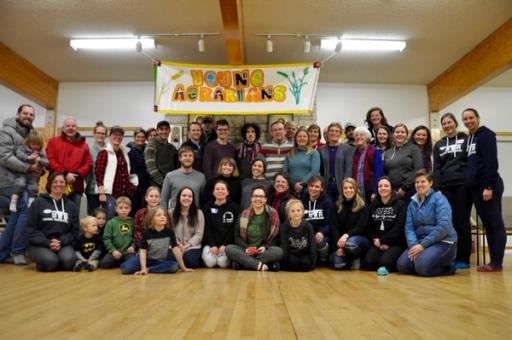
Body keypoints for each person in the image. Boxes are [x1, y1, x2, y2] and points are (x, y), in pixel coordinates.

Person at [462, 108, 506, 272]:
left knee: (494, 224)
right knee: (488, 224)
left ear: (478, 118)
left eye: (471, 118)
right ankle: (494, 262)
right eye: (465, 119)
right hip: (476, 187)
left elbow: (491, 163)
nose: (468, 121)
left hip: (488, 186)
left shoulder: (486, 134)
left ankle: (496, 263)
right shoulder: (470, 138)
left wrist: (489, 186)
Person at [397, 170, 457, 277]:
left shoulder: (440, 199)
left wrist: (423, 245)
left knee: (422, 268)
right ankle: (423, 260)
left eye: (423, 182)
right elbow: (409, 227)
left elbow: (444, 226)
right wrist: (414, 245)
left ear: (431, 183)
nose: (419, 185)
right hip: (420, 243)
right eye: (417, 182)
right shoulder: (412, 203)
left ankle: (448, 268)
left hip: (443, 242)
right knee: (403, 266)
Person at [0, 104, 38, 265]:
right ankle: (17, 251)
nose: (28, 116)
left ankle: (2, 253)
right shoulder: (6, 132)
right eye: (25, 113)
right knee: (24, 209)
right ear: (18, 114)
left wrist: (38, 169)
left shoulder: (32, 135)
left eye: (31, 114)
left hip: (25, 182)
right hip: (7, 180)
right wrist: (28, 167)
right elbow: (4, 156)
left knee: (19, 213)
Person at [433, 113, 471, 269]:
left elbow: (471, 161)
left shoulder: (466, 139)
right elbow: (436, 168)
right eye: (444, 123)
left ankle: (464, 258)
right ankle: (450, 256)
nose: (447, 125)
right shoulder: (439, 145)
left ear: (456, 123)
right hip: (445, 187)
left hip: (463, 185)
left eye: (449, 122)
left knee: (462, 221)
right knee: (449, 222)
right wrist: (437, 188)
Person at [26, 172, 80, 271]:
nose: (58, 184)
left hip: (62, 243)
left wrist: (61, 242)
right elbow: (30, 229)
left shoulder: (72, 206)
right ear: (50, 184)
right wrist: (48, 242)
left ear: (65, 185)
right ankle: (51, 261)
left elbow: (74, 231)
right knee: (50, 262)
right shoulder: (38, 202)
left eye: (61, 182)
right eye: (55, 182)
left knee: (68, 261)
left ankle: (57, 261)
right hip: (40, 244)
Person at [225, 185, 283, 271]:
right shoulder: (244, 215)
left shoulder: (272, 214)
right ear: (251, 198)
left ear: (265, 199)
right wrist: (246, 248)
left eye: (261, 196)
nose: (258, 199)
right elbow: (237, 237)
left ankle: (244, 263)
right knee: (229, 249)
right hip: (247, 250)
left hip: (263, 252)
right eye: (255, 196)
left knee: (279, 252)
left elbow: (277, 238)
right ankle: (259, 265)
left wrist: (265, 247)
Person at [120, 207, 192, 275]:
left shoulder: (169, 232)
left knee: (174, 266)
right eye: (159, 215)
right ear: (152, 219)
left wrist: (183, 268)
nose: (163, 217)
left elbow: (175, 249)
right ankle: (144, 267)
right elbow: (143, 252)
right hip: (145, 259)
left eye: (164, 215)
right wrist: (143, 268)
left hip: (160, 261)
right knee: (125, 268)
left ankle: (150, 269)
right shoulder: (146, 233)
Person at [361, 177, 406, 272]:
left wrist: (383, 240)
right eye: (380, 186)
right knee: (368, 263)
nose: (383, 188)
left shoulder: (400, 205)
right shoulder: (372, 205)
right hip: (377, 243)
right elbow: (369, 227)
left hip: (395, 243)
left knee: (385, 263)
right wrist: (376, 241)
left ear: (391, 188)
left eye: (386, 186)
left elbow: (399, 227)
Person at [46, 116, 91, 211]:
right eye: (68, 126)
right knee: (53, 215)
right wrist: (65, 174)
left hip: (76, 187)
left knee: (73, 217)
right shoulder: (53, 142)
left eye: (73, 126)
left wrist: (76, 174)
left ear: (77, 128)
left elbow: (87, 164)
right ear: (63, 128)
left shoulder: (85, 146)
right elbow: (50, 160)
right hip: (56, 186)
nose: (70, 128)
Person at [94, 126, 138, 219]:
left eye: (120, 135)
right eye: (115, 134)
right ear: (109, 136)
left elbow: (127, 172)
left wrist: (133, 185)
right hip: (110, 193)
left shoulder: (124, 153)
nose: (117, 137)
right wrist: (101, 193)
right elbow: (98, 173)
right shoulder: (104, 152)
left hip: (124, 193)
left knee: (121, 219)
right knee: (109, 218)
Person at [330, 178, 370, 270]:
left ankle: (357, 257)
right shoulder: (336, 206)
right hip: (341, 242)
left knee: (350, 243)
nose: (348, 190)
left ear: (355, 189)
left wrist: (346, 235)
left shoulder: (363, 205)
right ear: (342, 190)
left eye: (351, 187)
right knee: (337, 264)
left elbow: (361, 227)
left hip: (358, 240)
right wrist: (338, 246)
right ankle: (349, 260)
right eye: (345, 188)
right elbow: (334, 227)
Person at [202, 181, 240, 268]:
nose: (220, 191)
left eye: (223, 189)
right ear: (213, 192)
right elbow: (207, 227)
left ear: (227, 192)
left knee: (222, 263)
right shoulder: (207, 207)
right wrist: (212, 244)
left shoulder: (235, 207)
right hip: (211, 244)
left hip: (227, 244)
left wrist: (225, 244)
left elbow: (234, 228)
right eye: (217, 189)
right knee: (210, 263)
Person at [383, 123, 422, 203]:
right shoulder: (388, 152)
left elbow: (418, 169)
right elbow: (385, 172)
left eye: (403, 132)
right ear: (393, 135)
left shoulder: (413, 148)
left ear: (407, 135)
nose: (400, 134)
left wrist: (404, 187)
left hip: (409, 189)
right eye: (397, 132)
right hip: (392, 192)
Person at [11, 130, 48, 210]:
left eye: (38, 144)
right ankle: (13, 201)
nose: (35, 146)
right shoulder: (23, 148)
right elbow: (19, 154)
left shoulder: (41, 151)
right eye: (33, 144)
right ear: (28, 143)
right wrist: (28, 157)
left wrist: (40, 160)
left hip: (34, 175)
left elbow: (47, 162)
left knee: (33, 186)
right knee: (20, 184)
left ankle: (31, 201)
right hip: (23, 172)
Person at [168, 187, 204, 268]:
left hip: (192, 246)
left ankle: (181, 263)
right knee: (170, 259)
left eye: (189, 196)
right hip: (175, 245)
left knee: (191, 262)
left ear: (193, 199)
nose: (186, 198)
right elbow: (170, 232)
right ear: (179, 197)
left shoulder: (198, 213)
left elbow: (199, 234)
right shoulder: (171, 212)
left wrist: (187, 245)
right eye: (184, 195)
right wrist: (177, 243)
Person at [318, 122, 353, 203]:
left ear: (340, 134)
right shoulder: (321, 149)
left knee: (342, 208)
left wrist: (346, 184)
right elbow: (320, 169)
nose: (334, 133)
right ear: (328, 133)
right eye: (332, 131)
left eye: (337, 131)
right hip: (327, 185)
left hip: (341, 184)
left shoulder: (347, 148)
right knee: (329, 209)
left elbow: (349, 168)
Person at [300, 176, 332, 265]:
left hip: (320, 235)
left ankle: (323, 259)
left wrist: (322, 232)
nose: (313, 189)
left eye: (317, 187)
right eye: (311, 185)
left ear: (322, 189)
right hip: (306, 234)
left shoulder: (327, 203)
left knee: (320, 241)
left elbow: (329, 223)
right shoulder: (302, 201)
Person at [99, 196, 135, 269]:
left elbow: (136, 236)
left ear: (130, 209)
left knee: (134, 263)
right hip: (115, 251)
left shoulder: (133, 222)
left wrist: (133, 246)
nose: (123, 210)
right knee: (104, 264)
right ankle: (120, 262)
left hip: (128, 252)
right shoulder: (111, 223)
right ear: (116, 209)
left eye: (126, 208)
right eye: (121, 208)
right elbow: (106, 238)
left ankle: (122, 262)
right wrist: (113, 250)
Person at [280, 199, 316, 272]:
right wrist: (283, 264)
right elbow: (284, 246)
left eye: (298, 210)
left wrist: (313, 263)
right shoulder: (284, 227)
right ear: (288, 213)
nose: (296, 213)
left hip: (304, 253)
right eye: (292, 211)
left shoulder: (308, 226)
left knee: (306, 265)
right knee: (293, 264)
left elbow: (312, 244)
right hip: (291, 253)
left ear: (302, 212)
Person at [283, 127, 321, 196]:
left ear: (308, 139)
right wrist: (294, 184)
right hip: (292, 189)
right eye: (299, 136)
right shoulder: (289, 154)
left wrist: (302, 183)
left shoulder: (314, 153)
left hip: (308, 189)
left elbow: (314, 171)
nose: (302, 138)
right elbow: (285, 172)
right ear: (296, 139)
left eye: (304, 136)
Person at [352, 126, 384, 203]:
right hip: (357, 190)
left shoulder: (374, 151)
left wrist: (375, 191)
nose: (359, 137)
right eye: (356, 135)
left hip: (370, 189)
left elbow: (379, 172)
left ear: (367, 138)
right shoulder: (354, 153)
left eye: (362, 135)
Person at [144, 120, 179, 187]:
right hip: (156, 185)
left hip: (171, 183)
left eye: (166, 129)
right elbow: (151, 168)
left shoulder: (172, 148)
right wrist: (163, 183)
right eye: (161, 129)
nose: (164, 131)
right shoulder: (151, 144)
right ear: (157, 131)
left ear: (169, 130)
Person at [85, 121, 107, 215]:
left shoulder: (109, 149)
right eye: (98, 133)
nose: (100, 135)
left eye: (103, 133)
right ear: (94, 134)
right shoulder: (88, 150)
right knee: (93, 216)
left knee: (106, 216)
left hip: (107, 190)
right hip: (92, 189)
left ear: (106, 135)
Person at [128, 128, 150, 215]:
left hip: (146, 185)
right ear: (134, 137)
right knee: (135, 210)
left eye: (142, 137)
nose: (140, 139)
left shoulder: (148, 150)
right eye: (138, 137)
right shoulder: (129, 150)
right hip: (134, 186)